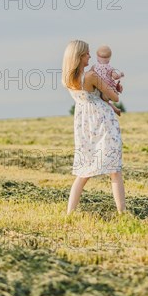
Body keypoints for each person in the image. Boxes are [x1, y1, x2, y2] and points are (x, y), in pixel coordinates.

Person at [61, 39, 126, 215]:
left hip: (84, 126)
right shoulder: (91, 76)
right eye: (87, 53)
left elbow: (91, 98)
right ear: (80, 56)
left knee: (83, 172)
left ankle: (70, 213)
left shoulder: (68, 79)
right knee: (114, 169)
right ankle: (123, 213)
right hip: (102, 123)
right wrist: (114, 84)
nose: (90, 56)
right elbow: (114, 96)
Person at [90, 45, 125, 116]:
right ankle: (116, 110)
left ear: (97, 58)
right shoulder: (110, 68)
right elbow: (115, 77)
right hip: (108, 89)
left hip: (98, 89)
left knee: (104, 101)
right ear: (109, 59)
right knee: (106, 101)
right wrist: (121, 74)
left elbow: (89, 74)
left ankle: (115, 109)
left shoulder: (94, 67)